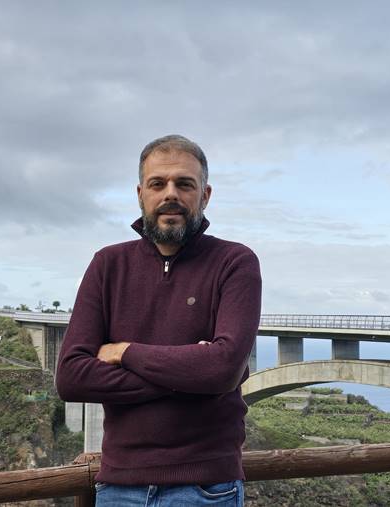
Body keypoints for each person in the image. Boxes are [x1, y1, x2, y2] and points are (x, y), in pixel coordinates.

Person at [56, 134, 262, 506]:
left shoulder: (235, 263)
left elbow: (222, 369)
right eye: (157, 184)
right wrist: (195, 373)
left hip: (206, 489)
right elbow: (71, 377)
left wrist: (125, 352)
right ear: (140, 194)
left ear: (205, 195)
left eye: (184, 184)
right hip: (118, 488)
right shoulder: (107, 265)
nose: (170, 194)